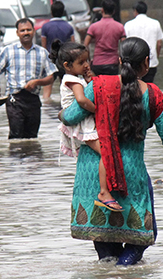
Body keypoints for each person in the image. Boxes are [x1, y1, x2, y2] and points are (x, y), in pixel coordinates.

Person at [59, 37, 163, 265]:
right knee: (141, 239)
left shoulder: (98, 86)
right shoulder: (153, 94)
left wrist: (61, 115)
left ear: (118, 60)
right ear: (146, 63)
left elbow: (71, 116)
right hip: (131, 173)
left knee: (106, 252)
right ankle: (124, 272)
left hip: (94, 174)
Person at [26, 39, 123, 211]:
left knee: (104, 152)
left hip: (81, 124)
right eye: (81, 62)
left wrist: (88, 78)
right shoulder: (73, 80)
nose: (86, 64)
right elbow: (81, 100)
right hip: (83, 125)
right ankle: (104, 192)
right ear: (67, 65)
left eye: (87, 60)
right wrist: (97, 110)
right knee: (106, 152)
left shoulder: (74, 78)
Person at [0, 18, 57, 139]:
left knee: (32, 137)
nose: (26, 33)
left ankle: (31, 157)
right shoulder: (8, 51)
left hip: (33, 100)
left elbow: (52, 76)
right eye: (22, 30)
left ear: (33, 31)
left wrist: (37, 82)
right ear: (17, 33)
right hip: (14, 100)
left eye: (28, 30)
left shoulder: (42, 53)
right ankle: (14, 157)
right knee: (16, 136)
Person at [40, 0, 76, 100]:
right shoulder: (69, 27)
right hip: (64, 60)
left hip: (50, 60)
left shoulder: (45, 27)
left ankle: (47, 108)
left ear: (51, 12)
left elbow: (43, 47)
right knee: (64, 86)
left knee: (47, 87)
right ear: (63, 12)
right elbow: (72, 45)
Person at [124, 1, 163, 83]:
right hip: (151, 61)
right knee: (149, 86)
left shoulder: (128, 25)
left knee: (134, 86)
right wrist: (157, 56)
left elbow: (125, 45)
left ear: (135, 11)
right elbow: (159, 44)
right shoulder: (155, 23)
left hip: (134, 62)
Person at [83, 0, 125, 76]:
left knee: (99, 86)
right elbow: (124, 45)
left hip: (97, 63)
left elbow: (85, 45)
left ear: (102, 10)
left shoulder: (93, 27)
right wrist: (121, 60)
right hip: (113, 63)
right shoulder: (120, 27)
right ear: (113, 11)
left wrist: (89, 60)